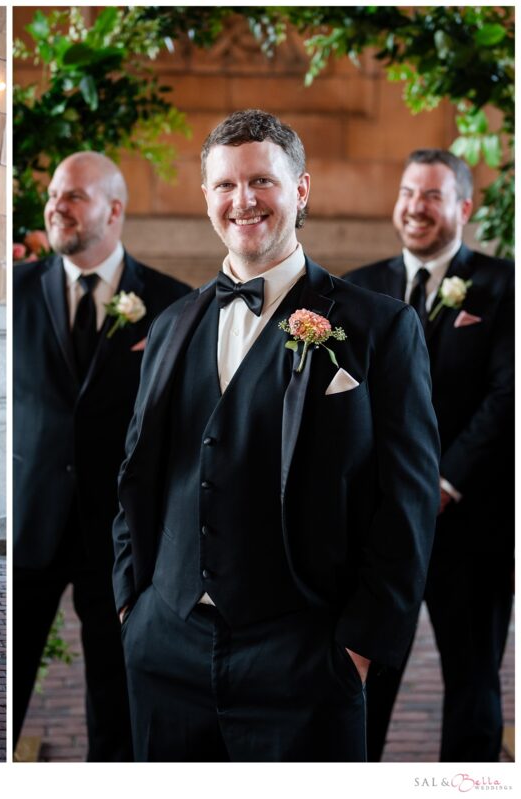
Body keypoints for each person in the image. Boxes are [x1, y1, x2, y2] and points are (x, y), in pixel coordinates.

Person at [112, 109, 441, 761]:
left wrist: (357, 648)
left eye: (262, 180)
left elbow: (406, 502)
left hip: (306, 655)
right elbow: (136, 475)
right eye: (226, 185)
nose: (244, 200)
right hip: (165, 648)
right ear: (206, 196)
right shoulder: (172, 324)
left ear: (300, 190)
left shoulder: (380, 327)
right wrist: (133, 608)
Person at [12, 151, 190, 760]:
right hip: (31, 522)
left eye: (74, 197)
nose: (57, 207)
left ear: (114, 211)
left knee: (115, 699)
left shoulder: (171, 303)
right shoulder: (14, 290)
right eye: (55, 195)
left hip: (119, 534)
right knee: (8, 685)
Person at [344, 149, 514, 761]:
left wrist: (444, 482)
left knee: (473, 677)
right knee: (366, 672)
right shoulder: (359, 287)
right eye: (409, 192)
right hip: (378, 526)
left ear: (464, 207)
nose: (416, 207)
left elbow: (506, 397)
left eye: (433, 195)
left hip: (469, 523)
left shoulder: (504, 287)